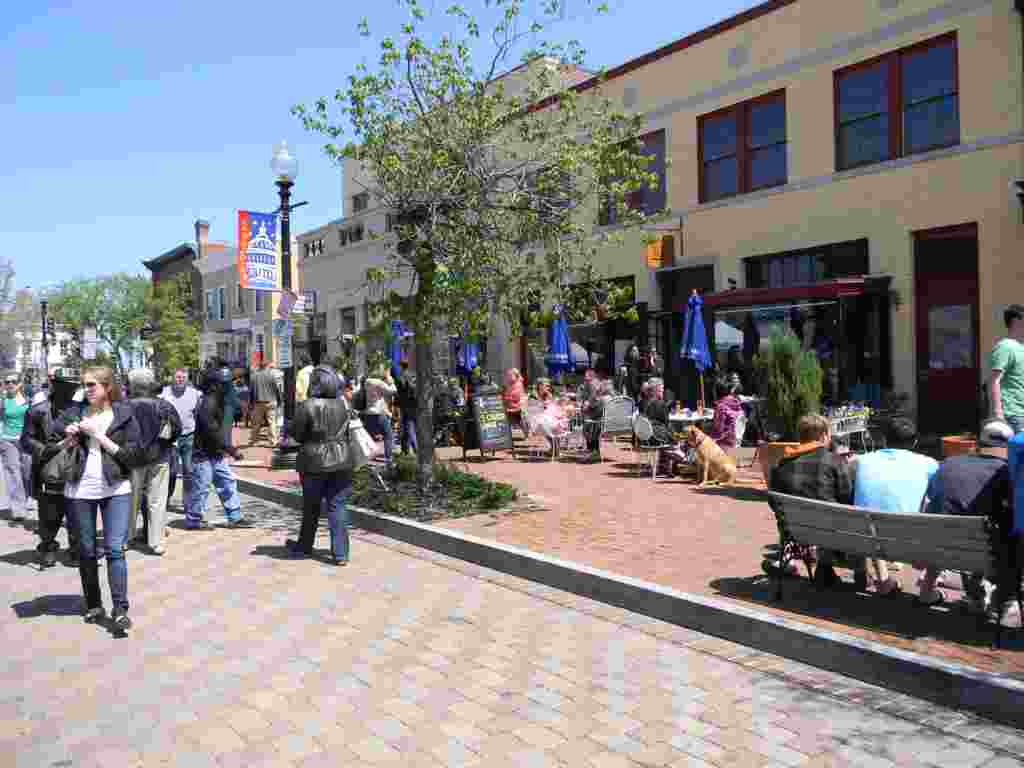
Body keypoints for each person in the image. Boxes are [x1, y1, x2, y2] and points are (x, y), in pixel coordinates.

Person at [61, 366, 142, 632]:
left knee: (115, 550)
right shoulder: (73, 413)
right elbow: (49, 445)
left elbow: (132, 456)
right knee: (85, 550)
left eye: (92, 385)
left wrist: (98, 435)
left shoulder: (124, 415)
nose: (87, 390)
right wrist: (68, 439)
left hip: (115, 488)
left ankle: (120, 609)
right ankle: (94, 604)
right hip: (80, 490)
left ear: (107, 387)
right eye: (85, 385)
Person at [916, 420, 1018, 622]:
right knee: (1007, 536)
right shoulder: (1006, 472)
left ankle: (975, 595)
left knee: (963, 529)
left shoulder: (948, 463)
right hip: (982, 551)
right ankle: (1006, 600)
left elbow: (928, 504)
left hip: (940, 547)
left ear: (979, 443)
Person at [849, 417, 938, 595]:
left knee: (871, 514)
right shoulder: (929, 464)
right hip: (908, 540)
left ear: (884, 440)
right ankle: (928, 588)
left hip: (863, 536)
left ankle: (882, 579)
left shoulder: (860, 461)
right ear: (914, 442)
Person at [767, 414, 853, 588]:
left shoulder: (781, 464)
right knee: (841, 517)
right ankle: (828, 568)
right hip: (831, 533)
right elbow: (847, 496)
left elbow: (774, 502)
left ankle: (821, 568)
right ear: (823, 436)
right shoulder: (835, 461)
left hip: (793, 531)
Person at [285, 366, 353, 565]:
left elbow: (297, 435)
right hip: (341, 460)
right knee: (337, 506)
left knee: (311, 506)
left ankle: (304, 546)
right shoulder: (344, 405)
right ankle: (340, 554)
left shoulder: (307, 406)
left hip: (314, 461)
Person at [21, 373, 80, 568]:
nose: (70, 390)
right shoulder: (37, 411)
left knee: (76, 512)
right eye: (65, 385)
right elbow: (26, 440)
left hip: (75, 468)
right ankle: (47, 547)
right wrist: (46, 450)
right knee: (49, 514)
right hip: (48, 469)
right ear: (55, 386)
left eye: (73, 386)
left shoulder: (81, 409)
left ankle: (76, 549)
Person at [126, 369, 181, 555]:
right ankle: (155, 542)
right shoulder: (164, 405)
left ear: (132, 385)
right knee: (157, 501)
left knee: (130, 499)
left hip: (132, 459)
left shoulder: (124, 405)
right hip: (159, 457)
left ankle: (127, 538)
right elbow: (177, 429)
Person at [187, 370, 245, 529]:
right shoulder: (208, 403)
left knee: (227, 482)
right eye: (226, 384)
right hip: (203, 455)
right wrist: (231, 450)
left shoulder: (219, 401)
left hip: (215, 453)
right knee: (202, 487)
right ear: (215, 386)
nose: (229, 386)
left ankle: (235, 516)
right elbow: (212, 432)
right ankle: (194, 519)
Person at [160, 369, 201, 513]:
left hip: (189, 436)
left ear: (187, 379)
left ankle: (188, 503)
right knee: (170, 472)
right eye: (177, 377)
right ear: (172, 378)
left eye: (183, 377)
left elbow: (197, 414)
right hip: (170, 439)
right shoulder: (164, 393)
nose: (180, 380)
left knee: (189, 471)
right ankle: (165, 499)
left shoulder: (194, 393)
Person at [0, 373, 33, 522]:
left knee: (27, 472)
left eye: (13, 382)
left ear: (20, 384)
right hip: (8, 440)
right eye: (7, 382)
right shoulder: (3, 401)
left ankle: (27, 499)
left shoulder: (27, 400)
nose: (10, 384)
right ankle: (18, 509)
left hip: (26, 441)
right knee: (13, 472)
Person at [989, 304, 1024, 434]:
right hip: (1013, 415)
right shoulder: (1005, 347)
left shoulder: (1021, 347)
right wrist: (998, 413)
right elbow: (994, 380)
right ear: (1017, 321)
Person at [362, 369, 397, 465]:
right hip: (378, 413)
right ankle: (389, 458)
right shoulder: (379, 383)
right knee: (388, 435)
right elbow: (392, 391)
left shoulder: (366, 382)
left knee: (368, 437)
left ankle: (364, 457)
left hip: (367, 413)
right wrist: (391, 382)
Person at [708, 373, 745, 452]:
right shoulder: (738, 404)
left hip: (725, 446)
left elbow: (718, 431)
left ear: (717, 392)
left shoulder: (721, 407)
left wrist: (708, 436)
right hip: (737, 444)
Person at [250, 358, 282, 446]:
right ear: (267, 366)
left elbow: (252, 391)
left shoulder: (254, 376)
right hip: (271, 401)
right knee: (272, 422)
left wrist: (251, 403)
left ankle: (254, 441)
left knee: (256, 423)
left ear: (259, 366)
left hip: (258, 402)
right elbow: (276, 389)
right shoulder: (271, 375)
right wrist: (279, 400)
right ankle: (273, 441)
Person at [395, 360, 418, 456]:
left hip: (405, 405)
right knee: (407, 427)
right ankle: (405, 450)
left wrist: (396, 404)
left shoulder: (401, 376)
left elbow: (398, 392)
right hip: (414, 404)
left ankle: (416, 449)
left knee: (408, 427)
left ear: (401, 366)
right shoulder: (413, 375)